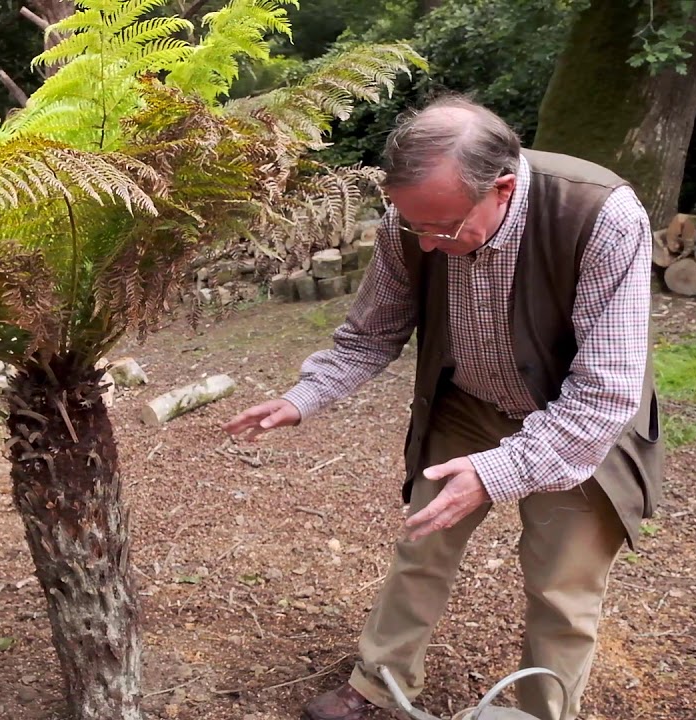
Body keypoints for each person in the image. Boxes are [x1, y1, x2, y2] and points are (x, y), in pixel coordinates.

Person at [222, 96, 663, 720]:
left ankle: (543, 711)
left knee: (562, 585)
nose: (426, 245)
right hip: (470, 402)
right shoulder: (411, 223)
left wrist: (496, 473)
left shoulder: (600, 215)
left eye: (445, 228)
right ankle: (379, 680)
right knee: (423, 543)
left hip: (580, 419)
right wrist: (302, 398)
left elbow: (605, 392)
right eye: (415, 228)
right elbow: (372, 333)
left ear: (503, 188)